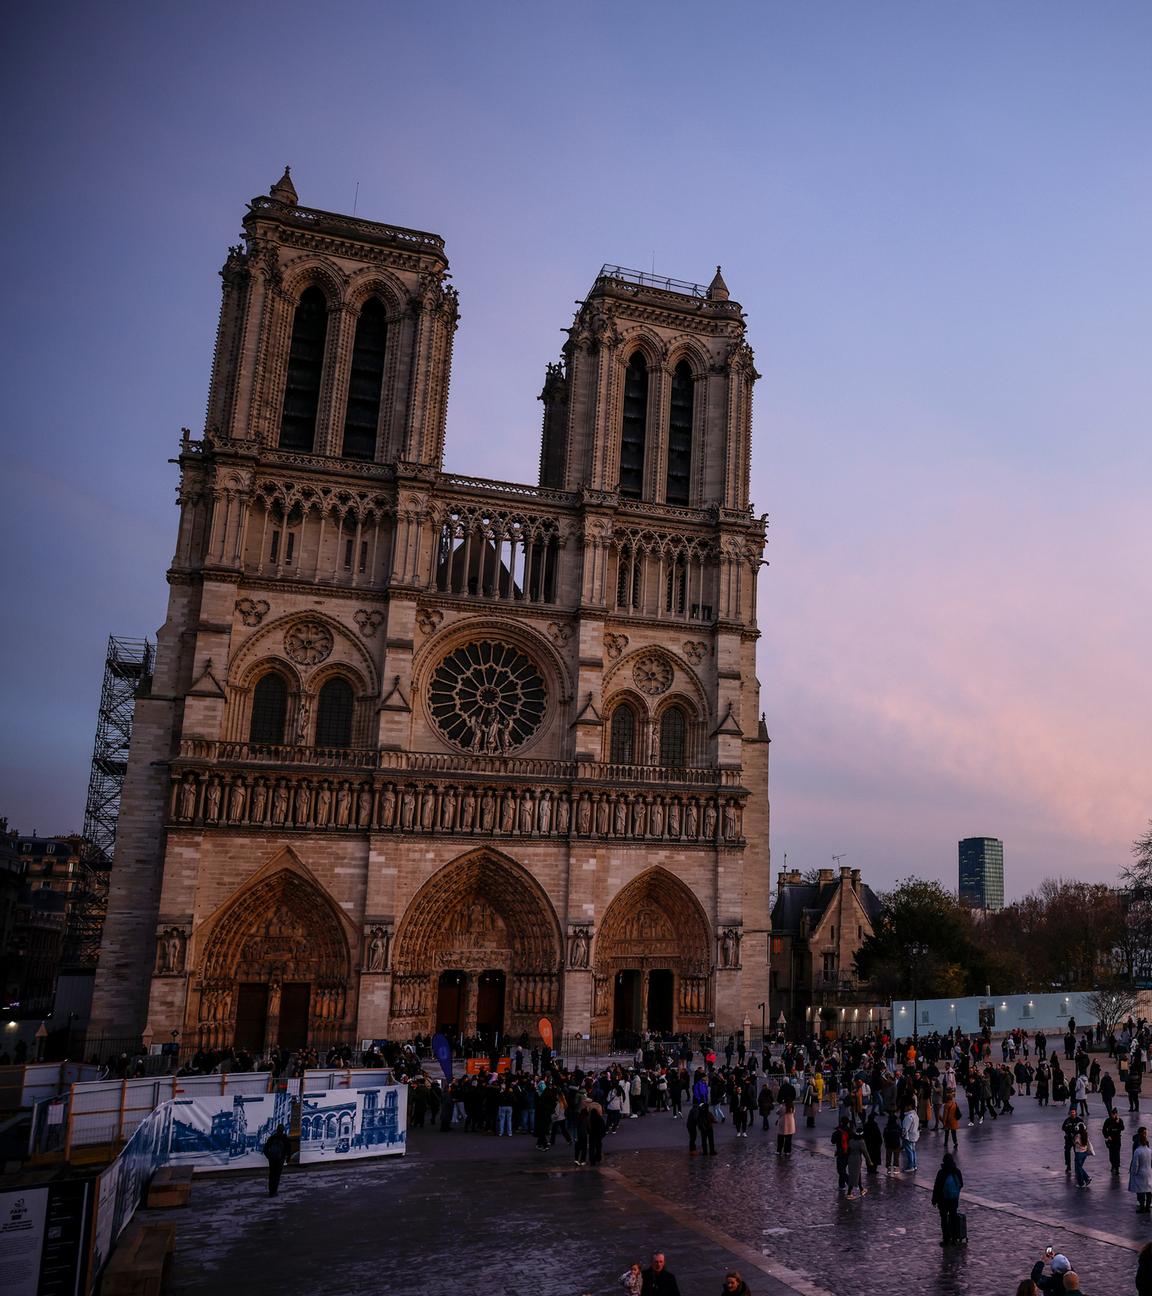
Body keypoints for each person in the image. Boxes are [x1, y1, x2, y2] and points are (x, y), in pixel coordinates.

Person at [930, 1151, 963, 1245]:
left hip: (943, 1200)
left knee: (944, 1219)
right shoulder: (957, 1171)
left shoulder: (941, 1172)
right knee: (953, 1217)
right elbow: (961, 1184)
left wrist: (934, 1200)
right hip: (953, 1199)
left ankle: (946, 1239)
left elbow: (936, 1187)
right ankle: (955, 1238)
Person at [262, 1124, 291, 1197]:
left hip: (272, 1159)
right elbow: (289, 1149)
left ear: (277, 1130)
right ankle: (274, 1191)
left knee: (272, 1174)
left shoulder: (272, 1138)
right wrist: (288, 1158)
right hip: (280, 1159)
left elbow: (265, 1149)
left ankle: (271, 1191)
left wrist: (269, 1156)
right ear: (283, 1130)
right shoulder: (285, 1138)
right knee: (277, 1175)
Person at [1130, 1125, 1152, 1212]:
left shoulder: (1138, 1151)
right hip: (1148, 1171)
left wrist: (1133, 1172)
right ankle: (1147, 1207)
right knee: (1148, 1190)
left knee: (1140, 1190)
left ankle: (1142, 1207)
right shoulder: (1150, 1151)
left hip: (1140, 1171)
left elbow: (1135, 1163)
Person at [1102, 1108, 1124, 1176]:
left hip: (1117, 1139)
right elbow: (1104, 1129)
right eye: (1112, 1114)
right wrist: (1107, 1136)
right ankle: (1113, 1165)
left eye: (1114, 1114)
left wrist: (1118, 1123)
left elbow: (1122, 1128)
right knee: (1111, 1154)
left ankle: (1117, 1168)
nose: (1113, 1115)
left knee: (1117, 1154)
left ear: (1116, 1114)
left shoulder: (1120, 1120)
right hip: (1110, 1139)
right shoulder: (1108, 1120)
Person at [1072, 1123, 1093, 1187]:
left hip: (1079, 1153)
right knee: (1079, 1167)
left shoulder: (1078, 1136)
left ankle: (1083, 1182)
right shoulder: (1085, 1134)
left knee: (1078, 1168)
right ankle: (1086, 1179)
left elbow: (1075, 1143)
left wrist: (1073, 1136)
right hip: (1084, 1153)